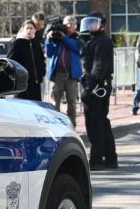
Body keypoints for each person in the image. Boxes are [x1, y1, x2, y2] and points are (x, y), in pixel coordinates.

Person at [79, 12, 116, 170]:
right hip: (98, 85)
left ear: (102, 24)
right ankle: (109, 157)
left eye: (94, 22)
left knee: (95, 124)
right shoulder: (95, 40)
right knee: (101, 122)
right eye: (89, 22)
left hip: (97, 86)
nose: (90, 25)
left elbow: (99, 67)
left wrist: (89, 87)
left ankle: (97, 159)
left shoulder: (101, 41)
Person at [45, 15, 81, 126]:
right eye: (66, 23)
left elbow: (76, 48)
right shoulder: (57, 38)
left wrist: (64, 37)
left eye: (71, 23)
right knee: (55, 102)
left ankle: (72, 126)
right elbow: (49, 53)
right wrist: (48, 39)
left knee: (72, 102)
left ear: (75, 26)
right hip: (58, 74)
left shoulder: (78, 37)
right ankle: (55, 126)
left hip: (72, 75)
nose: (69, 25)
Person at [6, 20, 39, 95]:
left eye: (31, 28)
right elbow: (10, 61)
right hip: (22, 82)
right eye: (27, 28)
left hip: (35, 82)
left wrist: (41, 74)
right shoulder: (17, 43)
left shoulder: (36, 43)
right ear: (23, 29)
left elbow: (41, 60)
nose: (29, 30)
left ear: (35, 30)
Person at [21, 11, 47, 101]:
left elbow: (41, 58)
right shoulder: (19, 41)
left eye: (41, 25)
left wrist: (42, 72)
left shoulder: (38, 38)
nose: (39, 27)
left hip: (36, 79)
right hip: (24, 80)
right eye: (37, 24)